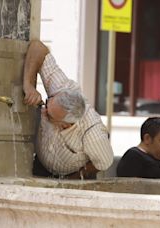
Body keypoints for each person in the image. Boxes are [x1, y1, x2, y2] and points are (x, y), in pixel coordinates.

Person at [23, 40, 114, 179]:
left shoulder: (92, 133)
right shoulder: (62, 88)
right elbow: (37, 47)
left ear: (67, 124)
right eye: (47, 104)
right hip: (41, 166)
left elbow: (104, 162)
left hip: (73, 175)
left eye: (50, 116)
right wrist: (28, 85)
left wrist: (77, 177)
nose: (43, 112)